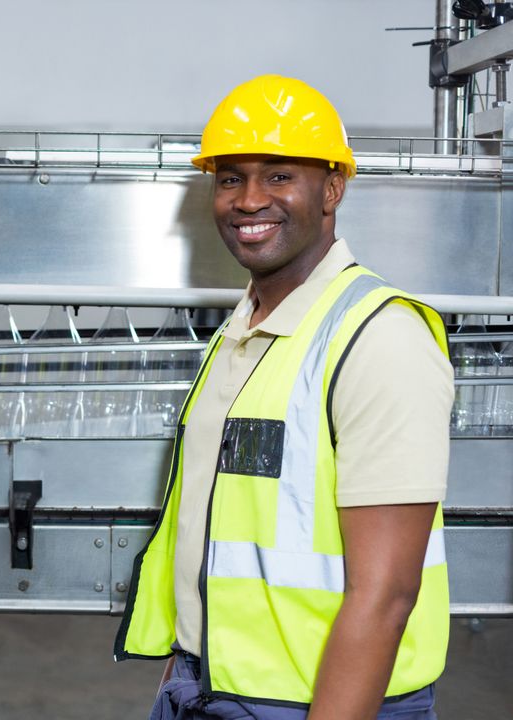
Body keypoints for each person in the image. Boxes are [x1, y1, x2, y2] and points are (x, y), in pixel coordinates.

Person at [114, 75, 454, 720]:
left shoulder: (378, 338)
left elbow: (385, 595)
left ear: (332, 189)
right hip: (206, 687)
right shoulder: (245, 331)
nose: (247, 200)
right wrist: (188, 661)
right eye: (230, 178)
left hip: (323, 704)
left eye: (278, 176)